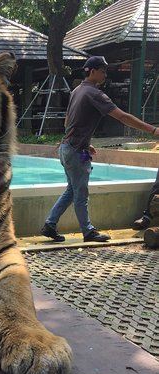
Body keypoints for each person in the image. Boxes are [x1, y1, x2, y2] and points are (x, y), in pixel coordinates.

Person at [41, 56, 159, 243]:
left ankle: (50, 224)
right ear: (92, 71)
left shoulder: (77, 90)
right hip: (75, 151)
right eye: (103, 71)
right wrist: (153, 130)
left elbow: (67, 122)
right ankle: (88, 232)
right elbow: (122, 117)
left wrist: (85, 143)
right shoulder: (94, 94)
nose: (105, 74)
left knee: (72, 190)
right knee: (81, 194)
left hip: (66, 147)